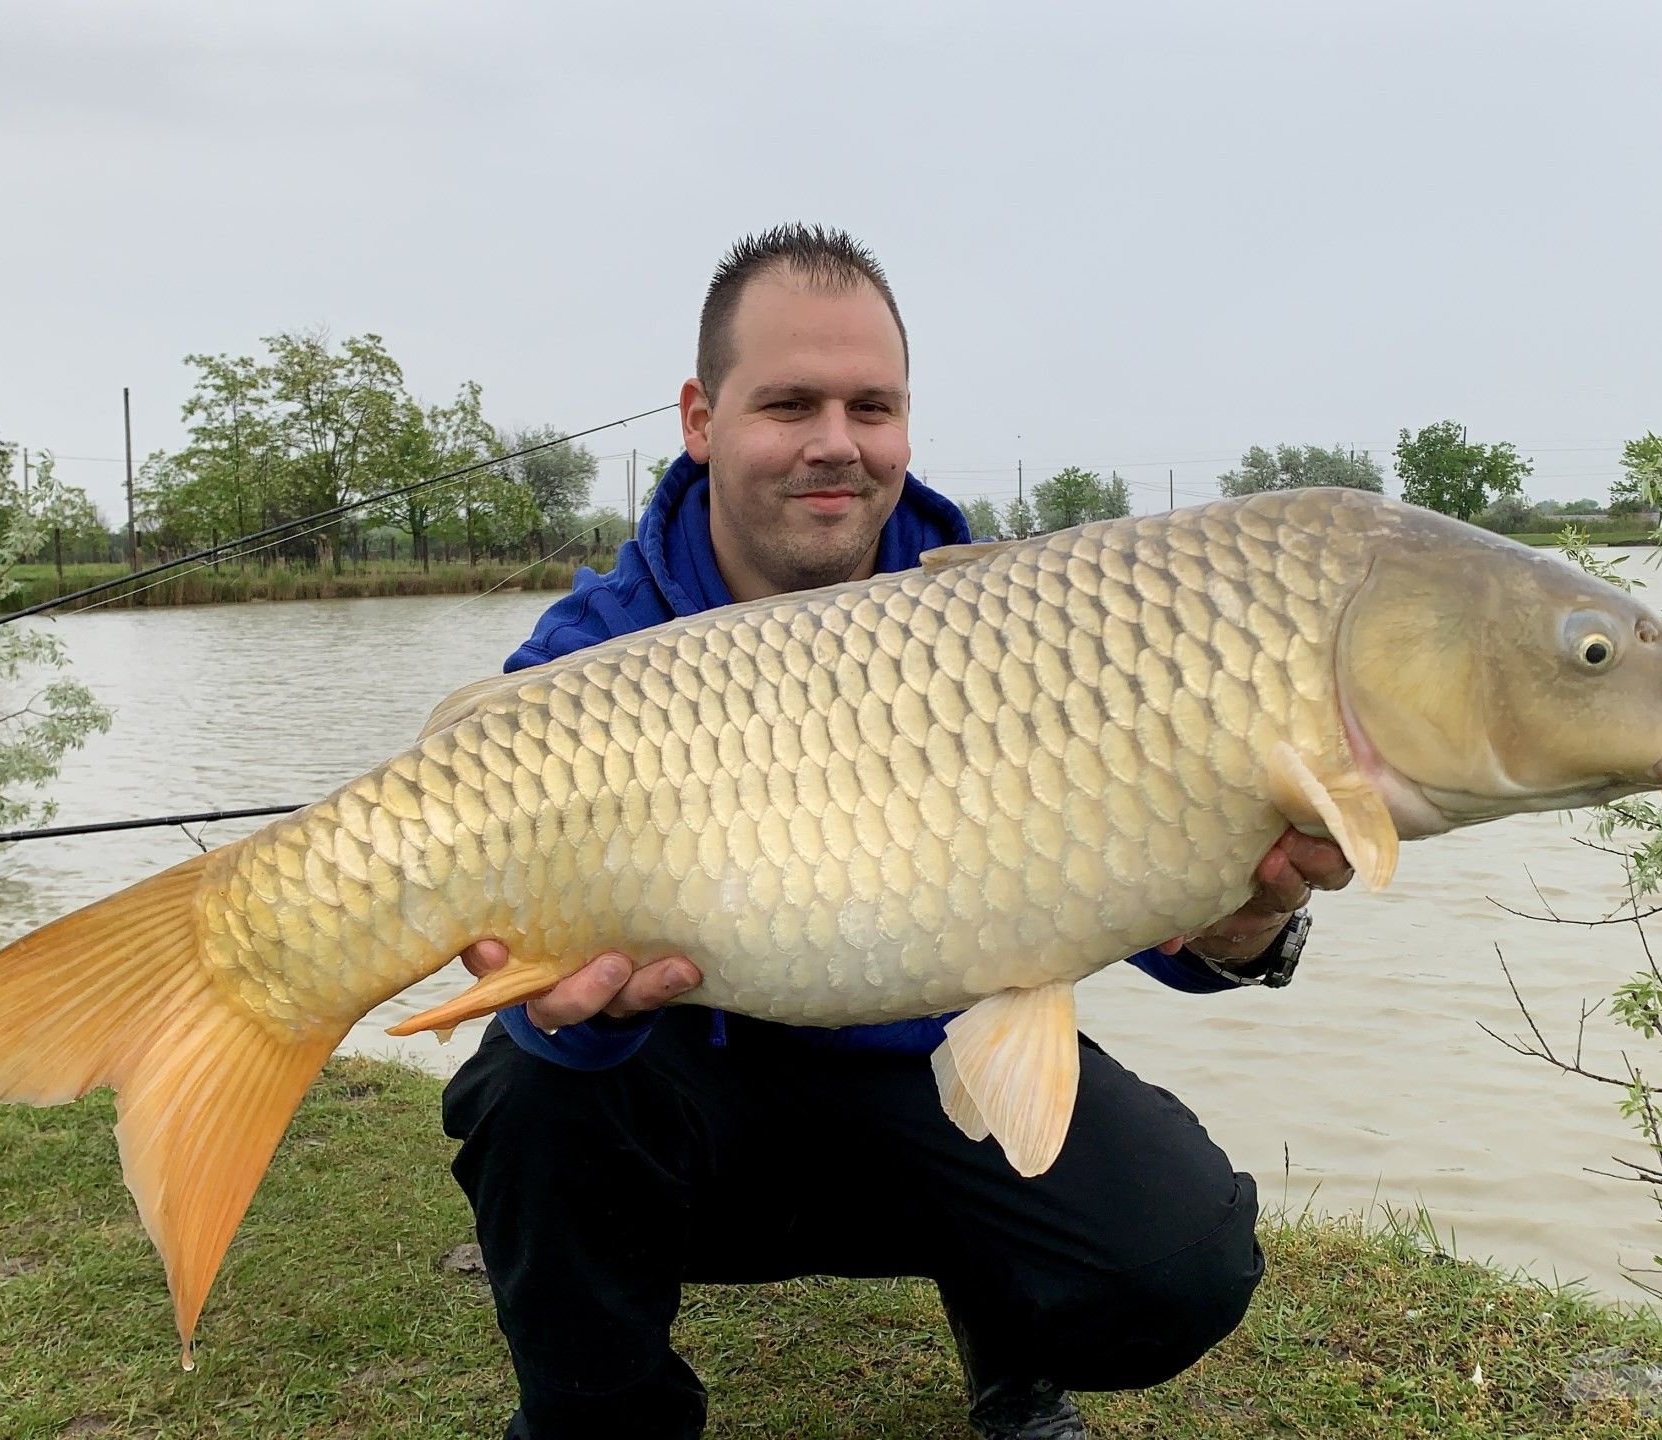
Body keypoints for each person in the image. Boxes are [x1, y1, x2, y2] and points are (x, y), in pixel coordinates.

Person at [442, 224, 1353, 1440]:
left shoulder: (1027, 619)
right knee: (525, 1097)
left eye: (872, 404)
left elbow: (1141, 915)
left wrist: (1252, 921)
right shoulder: (587, 657)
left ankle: (1012, 1346)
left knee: (1179, 1260)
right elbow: (531, 1000)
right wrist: (580, 1019)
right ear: (701, 419)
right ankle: (597, 1419)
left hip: (929, 1078)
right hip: (694, 1091)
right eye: (789, 403)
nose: (836, 442)